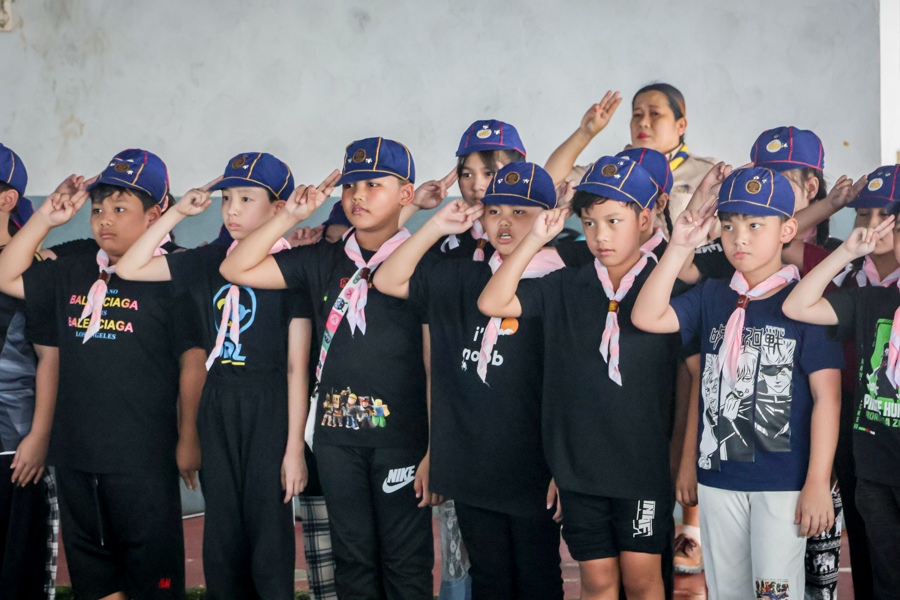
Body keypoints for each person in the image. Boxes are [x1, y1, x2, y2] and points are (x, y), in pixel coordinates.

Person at [220, 137, 437, 600]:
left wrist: (436, 446)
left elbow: (432, 365)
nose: (358, 195)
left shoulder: (423, 265)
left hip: (402, 439)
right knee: (352, 562)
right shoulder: (321, 259)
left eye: (374, 185)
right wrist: (290, 216)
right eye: (351, 186)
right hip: (337, 439)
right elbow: (236, 268)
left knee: (405, 563)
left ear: (405, 194)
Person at [0, 149, 206, 600]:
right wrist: (46, 218)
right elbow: (6, 274)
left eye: (119, 209)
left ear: (155, 215)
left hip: (143, 458)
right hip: (76, 454)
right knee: (95, 579)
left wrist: (188, 435)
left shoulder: (176, 271)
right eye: (97, 210)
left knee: (154, 580)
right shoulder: (75, 261)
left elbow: (192, 361)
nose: (103, 220)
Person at [633, 165, 843, 599]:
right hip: (719, 478)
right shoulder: (712, 295)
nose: (738, 238)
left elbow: (827, 398)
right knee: (728, 592)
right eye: (728, 226)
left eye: (754, 225)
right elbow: (646, 316)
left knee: (774, 591)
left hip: (783, 483)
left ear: (787, 230)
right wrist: (679, 245)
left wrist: (817, 480)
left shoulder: (806, 304)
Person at [478, 156, 683, 600]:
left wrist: (679, 459)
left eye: (613, 221)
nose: (600, 235)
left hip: (643, 467)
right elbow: (493, 302)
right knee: (597, 581)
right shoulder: (564, 285)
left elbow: (688, 380)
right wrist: (535, 238)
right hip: (578, 469)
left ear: (644, 219)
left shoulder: (664, 286)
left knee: (643, 580)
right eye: (589, 223)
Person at [115, 152, 313, 599]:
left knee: (268, 532)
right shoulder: (208, 260)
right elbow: (130, 267)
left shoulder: (292, 269)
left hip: (270, 405)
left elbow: (296, 367)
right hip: (218, 400)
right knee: (222, 534)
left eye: (246, 199)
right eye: (227, 199)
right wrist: (177, 213)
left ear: (279, 207)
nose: (231, 210)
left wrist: (293, 448)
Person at [374, 161, 566, 600]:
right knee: (489, 576)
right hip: (473, 462)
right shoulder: (462, 275)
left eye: (520, 212)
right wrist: (435, 225)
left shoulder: (561, 283)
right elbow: (387, 279)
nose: (504, 222)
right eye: (494, 211)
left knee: (538, 575)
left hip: (533, 465)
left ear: (547, 218)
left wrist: (564, 464)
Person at [781, 187, 900, 599]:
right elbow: (797, 306)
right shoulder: (871, 299)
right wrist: (846, 253)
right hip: (876, 468)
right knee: (885, 580)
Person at [0, 143, 60, 598]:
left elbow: (50, 357)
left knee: (16, 577)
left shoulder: (34, 269)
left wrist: (39, 436)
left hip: (12, 449)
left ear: (6, 199)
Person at [544, 84, 718, 227]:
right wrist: (585, 133)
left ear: (681, 125)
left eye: (655, 114)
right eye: (637, 115)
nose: (643, 122)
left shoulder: (707, 174)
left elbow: (721, 233)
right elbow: (549, 183)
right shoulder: (611, 170)